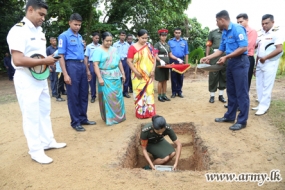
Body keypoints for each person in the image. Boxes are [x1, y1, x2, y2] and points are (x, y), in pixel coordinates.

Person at [6, 0, 66, 164]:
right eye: (41, 14)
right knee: (31, 115)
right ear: (30, 10)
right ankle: (35, 150)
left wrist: (48, 64)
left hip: (40, 77)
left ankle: (48, 141)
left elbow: (38, 57)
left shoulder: (39, 31)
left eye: (44, 15)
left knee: (44, 111)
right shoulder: (18, 31)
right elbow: (18, 60)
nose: (43, 18)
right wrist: (44, 61)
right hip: (25, 78)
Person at [200, 10, 249, 131]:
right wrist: (208, 57)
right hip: (231, 63)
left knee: (241, 92)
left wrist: (226, 57)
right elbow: (220, 50)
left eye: (217, 21)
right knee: (231, 91)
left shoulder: (238, 29)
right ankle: (230, 116)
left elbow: (243, 47)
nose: (216, 24)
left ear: (222, 20)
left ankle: (242, 121)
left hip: (240, 62)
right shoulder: (225, 33)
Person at [58, 13, 96, 132]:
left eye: (79, 25)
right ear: (69, 23)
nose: (77, 27)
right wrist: (65, 74)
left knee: (84, 94)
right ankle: (75, 122)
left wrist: (87, 70)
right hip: (71, 66)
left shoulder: (80, 37)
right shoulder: (63, 36)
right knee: (73, 95)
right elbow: (61, 55)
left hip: (81, 66)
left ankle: (83, 118)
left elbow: (83, 56)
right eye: (75, 24)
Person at [92, 32, 126, 125]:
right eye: (107, 41)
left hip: (116, 75)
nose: (109, 43)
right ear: (102, 40)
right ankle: (110, 118)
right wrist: (99, 78)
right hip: (105, 76)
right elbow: (95, 65)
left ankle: (119, 117)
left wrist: (123, 73)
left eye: (111, 41)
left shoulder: (114, 49)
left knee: (117, 97)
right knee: (108, 98)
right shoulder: (98, 51)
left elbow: (119, 62)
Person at [252, 14, 283, 116]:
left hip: (270, 63)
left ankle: (264, 107)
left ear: (272, 23)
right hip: (260, 63)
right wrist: (255, 66)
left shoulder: (276, 34)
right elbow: (257, 51)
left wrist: (265, 58)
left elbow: (279, 49)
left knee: (267, 85)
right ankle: (260, 103)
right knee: (259, 84)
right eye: (262, 23)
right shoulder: (260, 34)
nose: (264, 25)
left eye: (266, 23)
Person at [127, 29, 156, 119]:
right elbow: (129, 61)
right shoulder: (132, 47)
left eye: (146, 38)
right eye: (142, 38)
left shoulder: (150, 46)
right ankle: (141, 113)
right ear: (137, 37)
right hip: (137, 76)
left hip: (149, 75)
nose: (144, 40)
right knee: (139, 92)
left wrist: (153, 70)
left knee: (149, 92)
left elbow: (154, 58)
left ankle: (150, 112)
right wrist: (136, 72)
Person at [154, 29, 180, 102]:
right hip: (160, 64)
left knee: (165, 80)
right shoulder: (157, 44)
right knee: (160, 80)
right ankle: (159, 96)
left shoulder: (167, 45)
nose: (164, 37)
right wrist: (160, 60)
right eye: (162, 36)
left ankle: (164, 95)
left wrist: (177, 59)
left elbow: (170, 55)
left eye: (165, 36)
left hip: (166, 64)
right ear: (160, 36)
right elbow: (155, 55)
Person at [236, 13, 258, 91]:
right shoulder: (238, 32)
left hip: (247, 58)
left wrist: (235, 50)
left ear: (247, 20)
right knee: (237, 81)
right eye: (238, 22)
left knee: (245, 82)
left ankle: (243, 102)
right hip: (238, 58)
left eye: (241, 22)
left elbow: (247, 47)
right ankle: (236, 102)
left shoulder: (252, 31)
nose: (239, 24)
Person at [206, 28, 227, 103]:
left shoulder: (228, 31)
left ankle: (221, 95)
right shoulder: (212, 33)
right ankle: (212, 96)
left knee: (223, 75)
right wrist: (207, 57)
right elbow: (208, 45)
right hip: (214, 56)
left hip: (225, 55)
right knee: (213, 75)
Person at [168, 28, 189, 98]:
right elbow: (168, 53)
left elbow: (186, 53)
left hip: (181, 61)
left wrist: (186, 63)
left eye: (179, 32)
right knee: (173, 77)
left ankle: (179, 91)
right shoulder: (170, 42)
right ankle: (173, 92)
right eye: (176, 32)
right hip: (173, 61)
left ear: (181, 33)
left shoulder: (184, 42)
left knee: (180, 77)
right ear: (174, 33)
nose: (177, 34)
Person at [84, 32, 101, 103]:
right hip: (92, 64)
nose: (97, 39)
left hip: (100, 64)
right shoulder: (88, 46)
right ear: (92, 38)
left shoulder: (101, 46)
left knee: (101, 81)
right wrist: (87, 69)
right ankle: (93, 96)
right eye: (95, 38)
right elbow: (86, 57)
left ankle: (102, 96)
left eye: (98, 38)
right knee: (92, 81)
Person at [113, 31, 131, 98]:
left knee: (126, 76)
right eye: (121, 35)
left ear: (125, 36)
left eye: (124, 35)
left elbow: (129, 54)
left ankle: (125, 92)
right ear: (119, 36)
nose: (122, 36)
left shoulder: (127, 45)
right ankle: (118, 92)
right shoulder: (115, 44)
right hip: (117, 61)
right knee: (118, 76)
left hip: (125, 61)